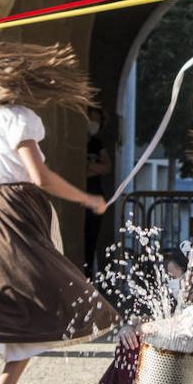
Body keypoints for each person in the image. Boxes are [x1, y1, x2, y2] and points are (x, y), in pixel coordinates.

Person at [0, 42, 119, 384]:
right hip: (18, 214)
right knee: (43, 299)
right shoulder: (17, 118)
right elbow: (39, 176)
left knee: (19, 304)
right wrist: (86, 200)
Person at [83, 106, 112, 276]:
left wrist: (88, 166)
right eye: (92, 119)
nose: (94, 123)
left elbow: (107, 167)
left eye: (98, 121)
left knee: (90, 242)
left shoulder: (96, 144)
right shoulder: (75, 141)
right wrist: (94, 168)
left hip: (94, 197)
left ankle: (88, 277)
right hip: (77, 196)